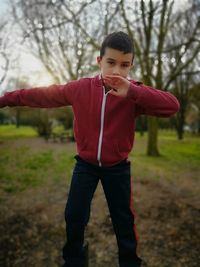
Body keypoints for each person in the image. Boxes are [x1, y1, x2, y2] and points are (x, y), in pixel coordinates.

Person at [0, 31, 180, 267]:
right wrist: (4, 99)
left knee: (123, 222)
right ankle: (73, 260)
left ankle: (130, 261)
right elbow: (41, 95)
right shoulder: (80, 88)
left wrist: (133, 92)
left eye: (124, 65)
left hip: (117, 168)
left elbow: (172, 106)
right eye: (111, 62)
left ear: (131, 66)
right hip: (85, 165)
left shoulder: (134, 92)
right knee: (74, 216)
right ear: (99, 61)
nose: (117, 71)